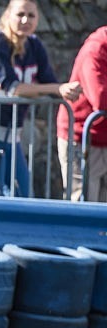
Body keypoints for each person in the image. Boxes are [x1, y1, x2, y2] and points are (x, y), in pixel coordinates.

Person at [0, 0, 81, 197]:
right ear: (8, 15)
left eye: (31, 15)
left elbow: (49, 81)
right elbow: (13, 88)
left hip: (11, 133)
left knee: (22, 195)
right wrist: (58, 88)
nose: (25, 20)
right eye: (20, 14)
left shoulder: (34, 45)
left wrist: (69, 90)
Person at [57, 26, 107, 202]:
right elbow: (101, 99)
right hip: (83, 139)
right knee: (83, 204)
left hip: (103, 138)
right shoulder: (96, 49)